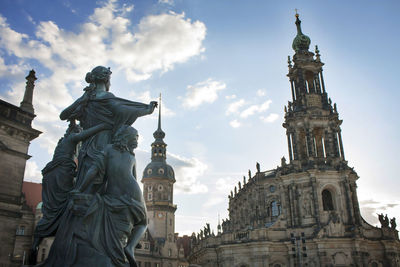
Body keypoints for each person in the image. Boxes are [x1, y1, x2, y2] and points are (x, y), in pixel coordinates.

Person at [59, 66, 157, 193]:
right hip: (103, 141)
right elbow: (124, 110)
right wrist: (146, 110)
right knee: (102, 177)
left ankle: (81, 198)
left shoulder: (85, 98)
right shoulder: (107, 97)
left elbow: (63, 115)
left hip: (86, 145)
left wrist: (82, 99)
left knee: (86, 173)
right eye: (109, 79)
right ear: (106, 80)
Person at [30, 121, 111, 264]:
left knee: (51, 209)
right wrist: (103, 126)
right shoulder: (71, 139)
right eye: (78, 131)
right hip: (62, 172)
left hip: (51, 174)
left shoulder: (62, 143)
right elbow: (86, 134)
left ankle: (35, 244)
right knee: (65, 204)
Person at [72, 125, 147, 267]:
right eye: (136, 137)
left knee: (139, 223)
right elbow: (134, 178)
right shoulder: (131, 156)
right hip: (133, 192)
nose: (137, 140)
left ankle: (127, 248)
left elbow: (94, 170)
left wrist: (80, 189)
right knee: (143, 223)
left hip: (113, 194)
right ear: (127, 136)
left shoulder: (108, 149)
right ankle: (130, 247)